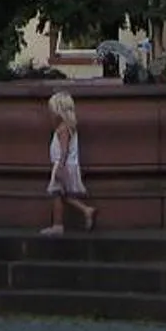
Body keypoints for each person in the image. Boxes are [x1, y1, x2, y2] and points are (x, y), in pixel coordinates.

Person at [40, 91, 98, 237]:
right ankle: (86, 210)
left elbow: (64, 149)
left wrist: (60, 166)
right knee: (64, 195)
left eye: (52, 111)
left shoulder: (63, 129)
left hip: (62, 164)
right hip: (68, 164)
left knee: (56, 194)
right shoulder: (68, 127)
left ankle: (58, 225)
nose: (50, 114)